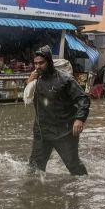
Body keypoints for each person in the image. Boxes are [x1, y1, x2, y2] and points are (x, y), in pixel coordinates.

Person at [27, 45, 90, 175]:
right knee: (34, 170)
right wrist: (29, 83)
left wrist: (79, 119)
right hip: (42, 131)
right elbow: (27, 98)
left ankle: (84, 187)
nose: (38, 66)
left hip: (64, 131)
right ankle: (35, 193)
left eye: (41, 63)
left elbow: (83, 98)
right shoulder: (35, 80)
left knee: (74, 167)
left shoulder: (65, 80)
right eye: (35, 63)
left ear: (49, 62)